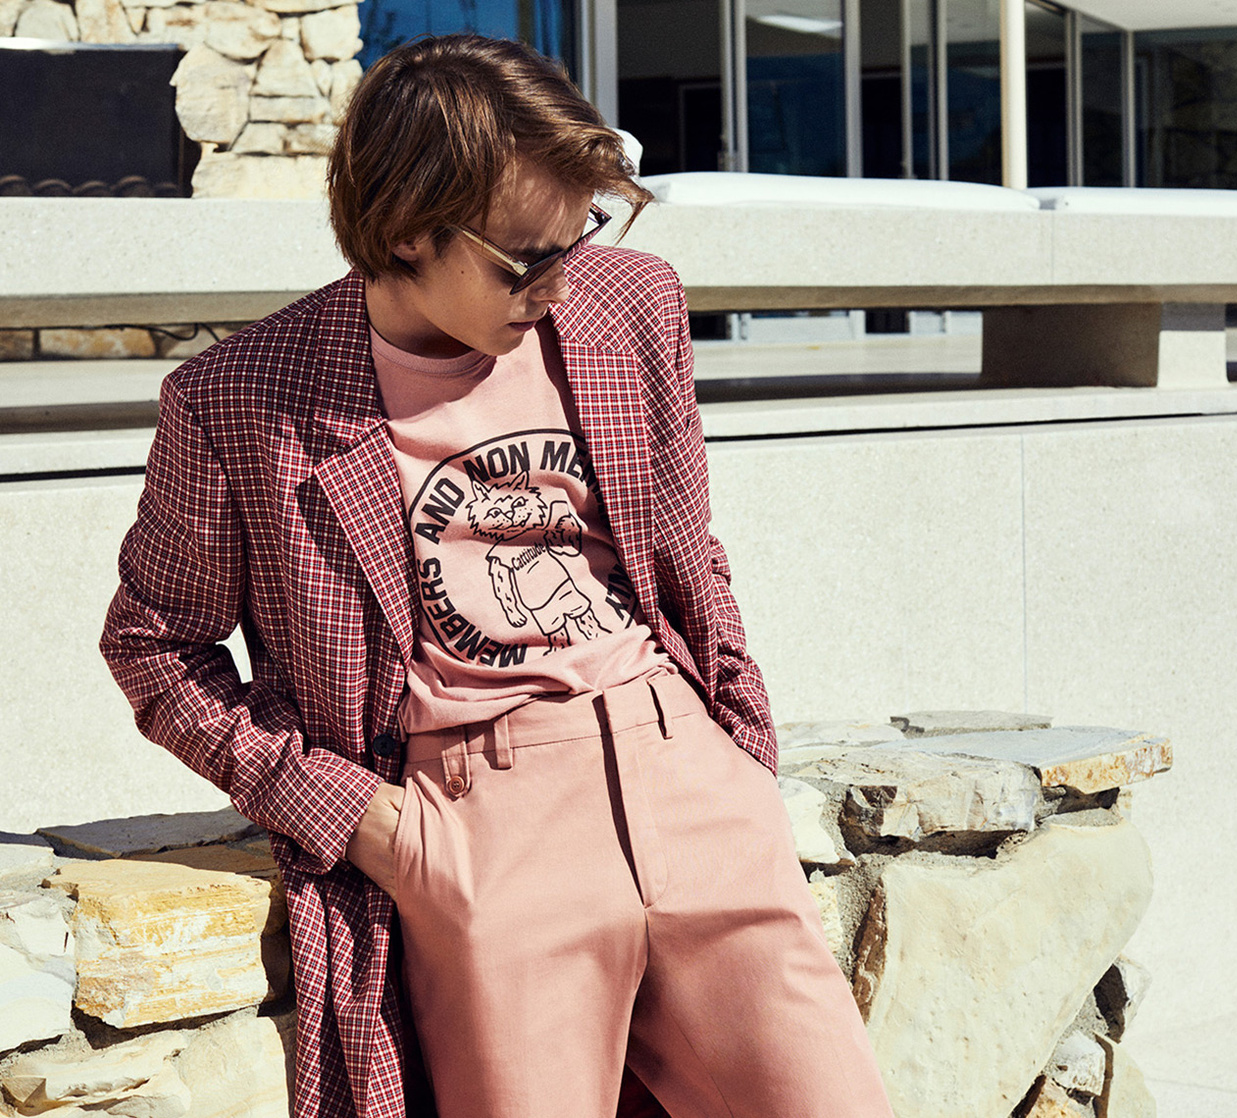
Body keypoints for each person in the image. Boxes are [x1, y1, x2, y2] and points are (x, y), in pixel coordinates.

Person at [100, 32, 894, 1118]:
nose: (557, 285)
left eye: (578, 237)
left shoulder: (629, 306)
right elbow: (153, 648)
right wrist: (362, 819)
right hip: (477, 822)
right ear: (407, 229)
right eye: (525, 259)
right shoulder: (245, 398)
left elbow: (685, 546)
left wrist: (737, 747)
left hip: (689, 779)